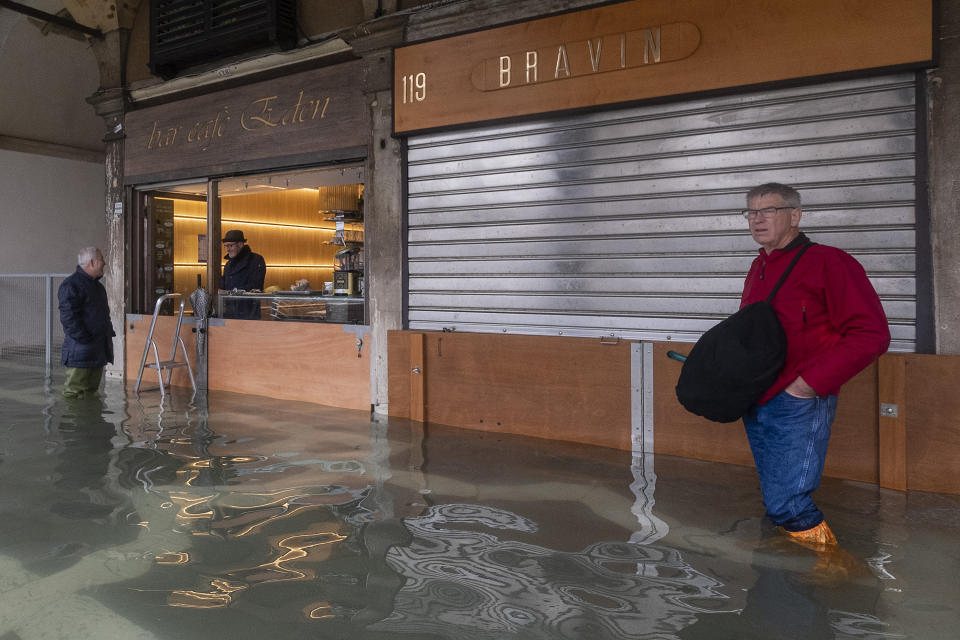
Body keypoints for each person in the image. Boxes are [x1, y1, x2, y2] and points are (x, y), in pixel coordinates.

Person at [739, 183, 890, 546]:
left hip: (797, 402)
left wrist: (806, 386)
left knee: (791, 505)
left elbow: (872, 334)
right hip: (757, 400)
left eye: (768, 211)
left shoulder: (830, 262)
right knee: (775, 496)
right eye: (751, 212)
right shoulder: (758, 267)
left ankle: (832, 573)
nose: (758, 220)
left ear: (795, 215)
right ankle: (782, 570)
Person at [58, 247, 116, 398]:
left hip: (96, 349)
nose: (104, 263)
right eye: (102, 259)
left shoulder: (97, 287)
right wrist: (85, 339)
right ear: (92, 262)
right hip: (81, 350)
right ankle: (73, 421)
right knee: (74, 393)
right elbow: (68, 317)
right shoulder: (71, 285)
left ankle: (91, 421)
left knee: (91, 392)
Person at [220, 229, 266, 319]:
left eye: (230, 246)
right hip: (230, 313)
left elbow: (256, 286)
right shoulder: (228, 264)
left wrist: (230, 292)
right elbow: (223, 285)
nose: (227, 249)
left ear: (240, 244)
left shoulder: (256, 260)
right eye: (225, 246)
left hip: (249, 314)